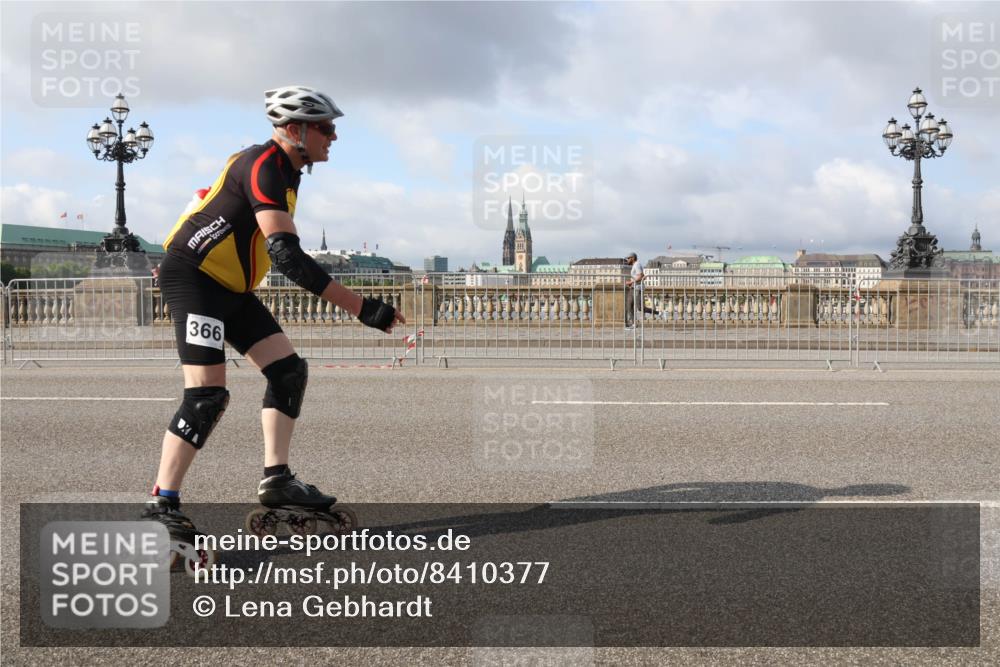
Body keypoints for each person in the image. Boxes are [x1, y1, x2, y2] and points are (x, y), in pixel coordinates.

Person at [143, 85, 405, 550]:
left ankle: (277, 479)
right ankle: (162, 505)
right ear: (294, 130)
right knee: (206, 396)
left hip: (231, 288)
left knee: (287, 371)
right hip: (196, 281)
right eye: (326, 127)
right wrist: (364, 308)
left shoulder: (285, 170)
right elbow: (287, 258)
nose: (334, 137)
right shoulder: (264, 165)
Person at [624, 252, 644, 329]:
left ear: (632, 258)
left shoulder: (637, 264)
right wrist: (631, 283)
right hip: (633, 288)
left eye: (628, 258)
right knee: (629, 306)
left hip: (637, 288)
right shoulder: (634, 266)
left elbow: (641, 276)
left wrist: (631, 282)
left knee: (639, 307)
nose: (627, 260)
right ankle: (634, 324)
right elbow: (642, 275)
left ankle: (657, 312)